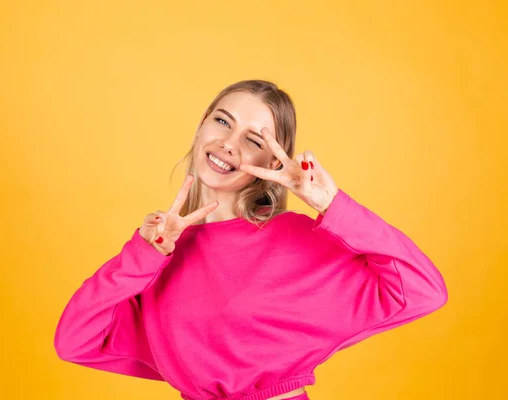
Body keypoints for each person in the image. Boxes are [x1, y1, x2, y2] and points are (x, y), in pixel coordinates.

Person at [54, 80, 448, 400]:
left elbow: (422, 290)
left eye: (254, 141)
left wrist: (333, 205)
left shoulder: (298, 238)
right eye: (223, 122)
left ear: (272, 163)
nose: (229, 144)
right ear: (201, 125)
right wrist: (142, 255)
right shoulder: (160, 253)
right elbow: (75, 342)